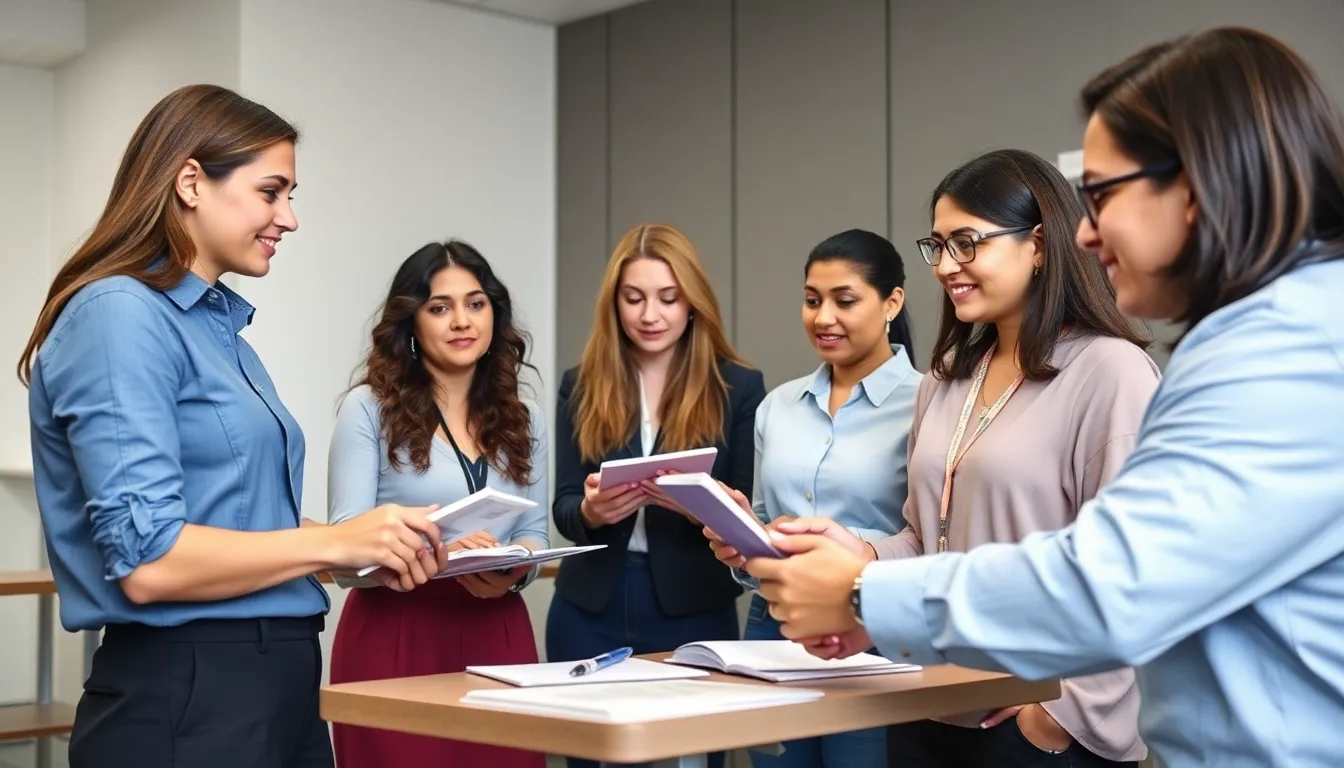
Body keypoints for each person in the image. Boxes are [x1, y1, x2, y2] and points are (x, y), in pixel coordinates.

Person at [742, 27, 1344, 768]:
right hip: (938, 695)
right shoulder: (1264, 337)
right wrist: (859, 559)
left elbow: (1112, 579)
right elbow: (940, 536)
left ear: (1198, 183)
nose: (1086, 231)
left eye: (1101, 194)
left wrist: (867, 594)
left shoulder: (1280, 352)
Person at [19, 84, 447, 768]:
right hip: (190, 691)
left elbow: (242, 519)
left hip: (275, 682)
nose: (290, 218)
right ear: (191, 181)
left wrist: (378, 542)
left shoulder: (221, 333)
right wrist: (333, 544)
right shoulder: (118, 315)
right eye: (272, 192)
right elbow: (149, 560)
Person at [547, 222, 766, 768]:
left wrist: (707, 507)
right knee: (588, 756)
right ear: (614, 303)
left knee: (694, 757)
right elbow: (566, 507)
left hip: (694, 604)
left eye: (668, 298)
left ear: (693, 302)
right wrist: (592, 511)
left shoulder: (737, 386)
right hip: (590, 604)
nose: (650, 315)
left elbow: (748, 514)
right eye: (634, 298)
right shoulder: (582, 382)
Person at [326, 240, 550, 768]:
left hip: (498, 631)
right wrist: (437, 551)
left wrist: (512, 574)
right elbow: (344, 556)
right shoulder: (368, 410)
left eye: (475, 303)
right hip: (396, 635)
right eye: (439, 307)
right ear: (411, 321)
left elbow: (536, 535)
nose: (461, 321)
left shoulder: (527, 417)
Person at [704, 229, 920, 768]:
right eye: (811, 300)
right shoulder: (777, 406)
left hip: (874, 626)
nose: (823, 317)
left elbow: (933, 534)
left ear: (892, 301)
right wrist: (739, 543)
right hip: (772, 622)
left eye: (844, 300)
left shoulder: (930, 402)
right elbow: (762, 518)